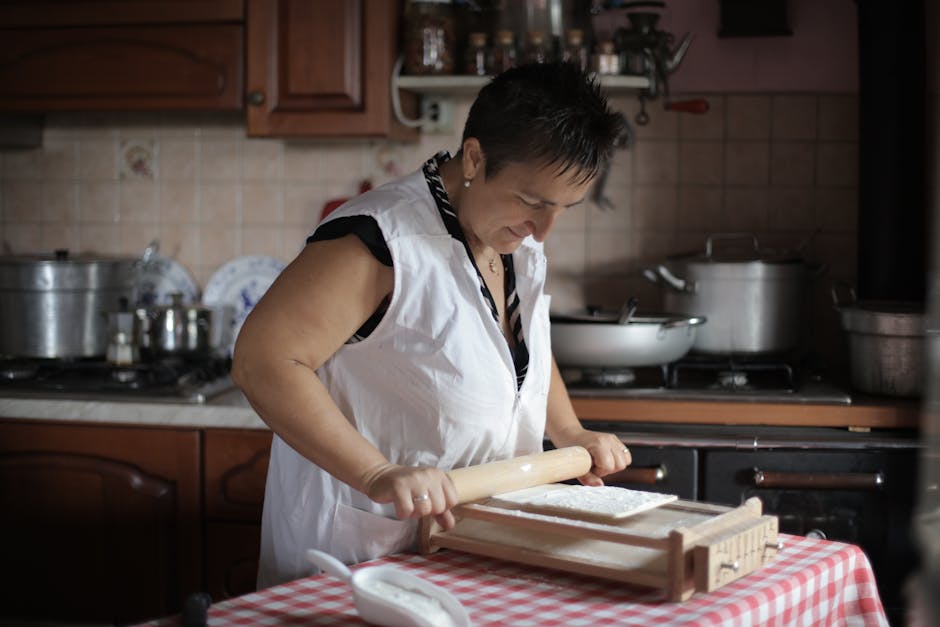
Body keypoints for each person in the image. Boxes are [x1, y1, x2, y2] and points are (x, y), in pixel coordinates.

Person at [232, 61, 632, 588]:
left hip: (474, 548)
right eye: (533, 201)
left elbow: (518, 345)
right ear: (474, 157)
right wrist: (377, 474)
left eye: (565, 207)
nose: (544, 228)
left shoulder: (512, 235)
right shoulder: (379, 241)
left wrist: (570, 431)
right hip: (359, 559)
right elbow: (263, 360)